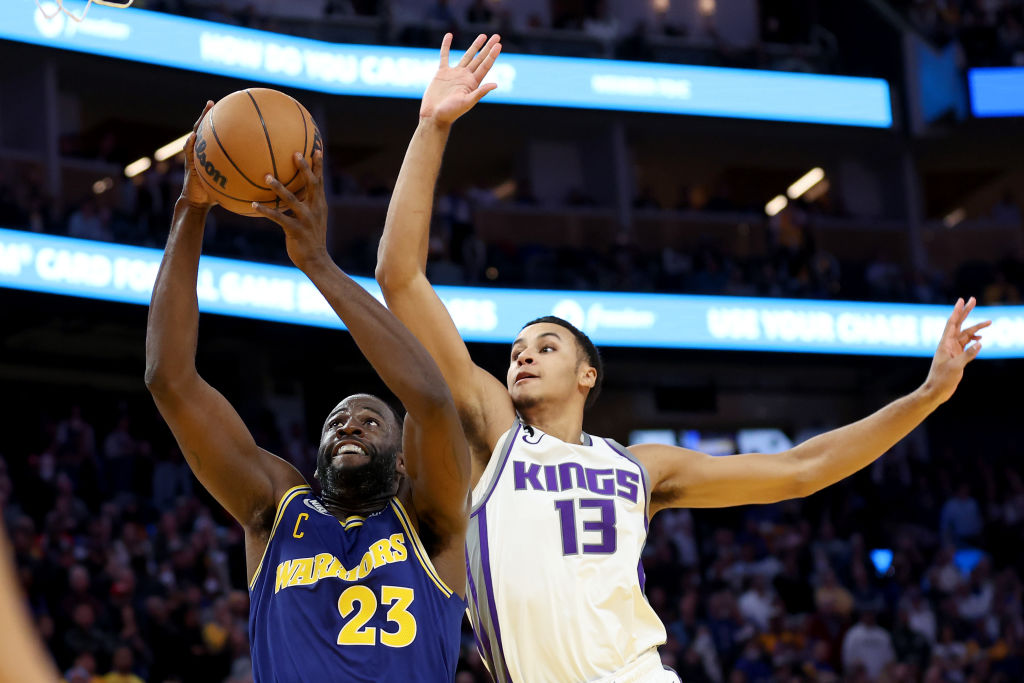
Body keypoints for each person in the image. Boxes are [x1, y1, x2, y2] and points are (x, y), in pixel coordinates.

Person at [374, 32, 991, 682]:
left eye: (546, 346)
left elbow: (800, 467)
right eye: (517, 351)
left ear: (588, 375)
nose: (523, 357)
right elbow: (399, 277)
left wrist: (925, 396)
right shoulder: (495, 436)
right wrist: (431, 126)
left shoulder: (642, 468)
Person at [145, 103, 470, 681]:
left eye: (371, 421)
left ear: (402, 459)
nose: (348, 424)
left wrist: (317, 263)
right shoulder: (275, 508)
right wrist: (191, 207)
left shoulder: (430, 520)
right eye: (337, 421)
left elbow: (431, 399)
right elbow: (169, 380)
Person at [0, 511, 62, 683]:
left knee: (45, 628)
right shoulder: (8, 560)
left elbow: (43, 591)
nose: (21, 539)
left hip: (33, 607)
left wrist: (44, 615)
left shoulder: (39, 562)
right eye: (18, 534)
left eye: (25, 534)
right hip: (10, 610)